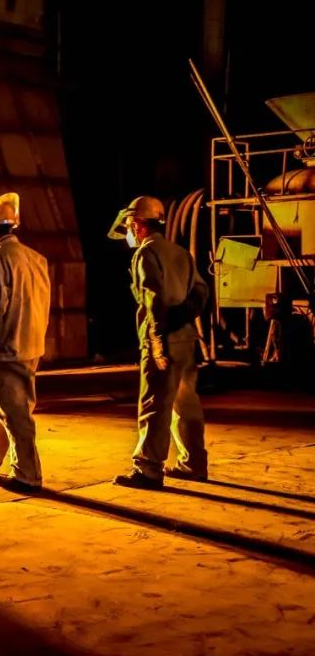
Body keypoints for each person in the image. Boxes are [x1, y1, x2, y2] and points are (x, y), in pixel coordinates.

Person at [109, 195, 209, 489]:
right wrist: (182, 315)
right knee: (187, 404)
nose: (129, 231)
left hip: (162, 339)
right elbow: (201, 291)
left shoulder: (145, 254)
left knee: (155, 403)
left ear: (138, 225)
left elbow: (152, 297)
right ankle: (194, 463)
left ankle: (148, 469)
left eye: (130, 225)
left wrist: (157, 338)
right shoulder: (180, 253)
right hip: (186, 338)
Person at [0, 193, 52, 492]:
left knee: (16, 415)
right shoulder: (36, 259)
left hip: (7, 348)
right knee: (1, 405)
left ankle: (27, 475)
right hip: (31, 345)